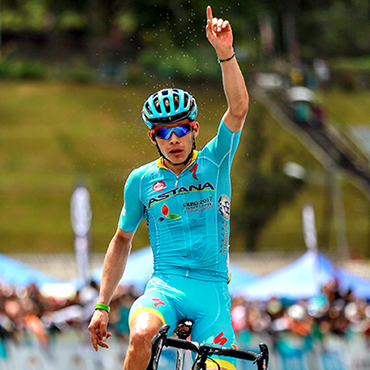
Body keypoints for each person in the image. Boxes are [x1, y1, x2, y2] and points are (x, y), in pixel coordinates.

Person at [88, 6, 249, 370]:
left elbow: (238, 109)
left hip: (212, 293)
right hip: (165, 288)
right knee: (142, 335)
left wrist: (225, 52)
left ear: (194, 129)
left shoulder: (215, 159)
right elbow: (121, 241)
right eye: (164, 132)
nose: (173, 139)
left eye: (180, 130)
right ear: (153, 137)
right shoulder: (141, 181)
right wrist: (101, 305)